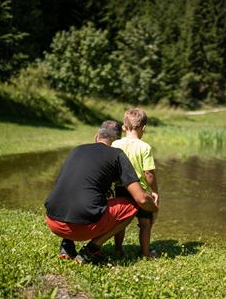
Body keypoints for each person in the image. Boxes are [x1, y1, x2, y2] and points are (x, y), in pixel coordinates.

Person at [44, 120, 158, 264]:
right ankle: (91, 249)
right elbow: (141, 199)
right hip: (81, 229)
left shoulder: (77, 150)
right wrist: (154, 208)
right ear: (117, 141)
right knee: (132, 205)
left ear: (96, 137)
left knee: (77, 194)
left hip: (52, 221)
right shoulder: (117, 154)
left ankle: (67, 245)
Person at [112, 108, 159, 258]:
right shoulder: (145, 147)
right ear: (143, 128)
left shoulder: (115, 144)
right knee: (145, 223)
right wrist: (155, 191)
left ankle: (118, 250)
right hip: (141, 191)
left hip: (121, 188)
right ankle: (145, 253)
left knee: (121, 221)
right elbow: (149, 174)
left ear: (124, 127)